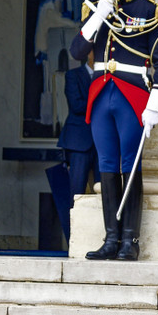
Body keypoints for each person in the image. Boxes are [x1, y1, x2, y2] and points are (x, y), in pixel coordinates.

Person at [70, 0, 158, 261]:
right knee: (106, 164)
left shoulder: (151, 13)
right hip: (101, 94)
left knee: (130, 165)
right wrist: (99, 16)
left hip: (132, 94)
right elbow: (75, 51)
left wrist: (156, 102)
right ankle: (110, 238)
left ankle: (130, 239)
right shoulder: (99, 9)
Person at [57, 50, 100, 240]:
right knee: (76, 193)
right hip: (78, 141)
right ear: (88, 53)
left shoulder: (107, 75)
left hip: (102, 142)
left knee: (104, 192)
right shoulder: (73, 75)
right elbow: (77, 105)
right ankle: (74, 239)